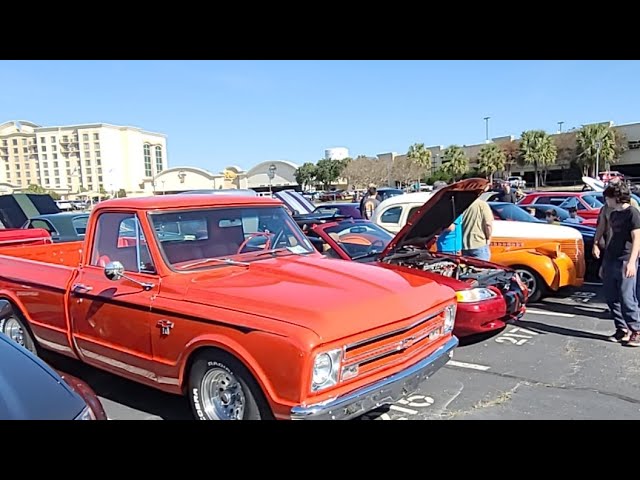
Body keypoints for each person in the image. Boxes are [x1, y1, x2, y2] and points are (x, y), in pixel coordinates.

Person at [594, 182, 640, 346]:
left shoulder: (632, 213)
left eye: (607, 197)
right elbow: (611, 237)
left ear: (616, 197)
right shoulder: (613, 214)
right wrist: (603, 263)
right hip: (611, 258)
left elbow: (637, 239)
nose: (606, 201)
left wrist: (632, 262)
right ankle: (621, 329)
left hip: (626, 259)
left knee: (627, 297)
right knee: (612, 296)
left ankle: (636, 330)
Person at [433, 181, 462, 255]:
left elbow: (451, 227)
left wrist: (435, 228)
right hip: (442, 246)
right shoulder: (442, 206)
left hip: (450, 247)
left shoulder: (453, 207)